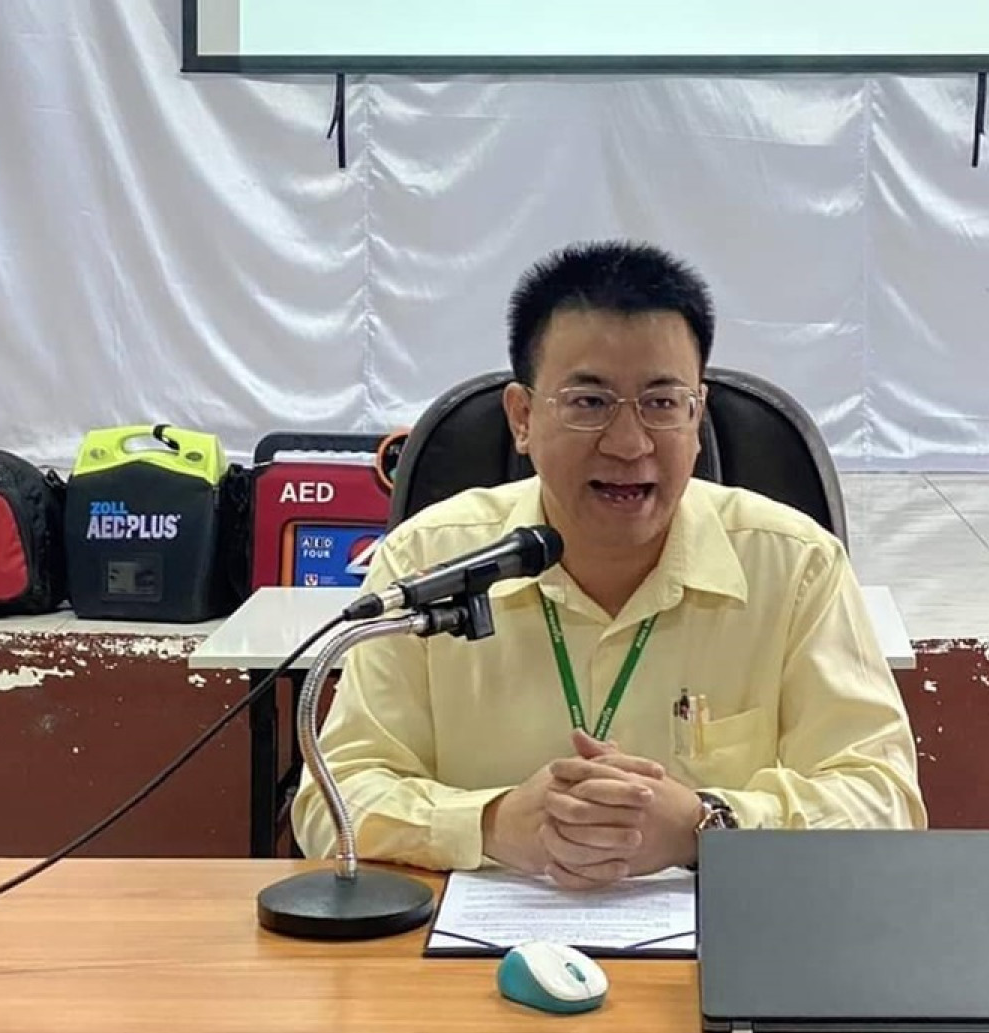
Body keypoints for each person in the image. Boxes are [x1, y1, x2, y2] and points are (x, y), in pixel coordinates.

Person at [292, 241, 925, 887]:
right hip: (478, 939)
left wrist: (707, 825)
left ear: (697, 416)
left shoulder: (794, 566)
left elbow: (885, 800)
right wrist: (491, 824)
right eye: (589, 403)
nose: (629, 444)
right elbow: (330, 799)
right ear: (522, 418)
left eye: (661, 403)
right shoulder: (428, 560)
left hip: (722, 936)